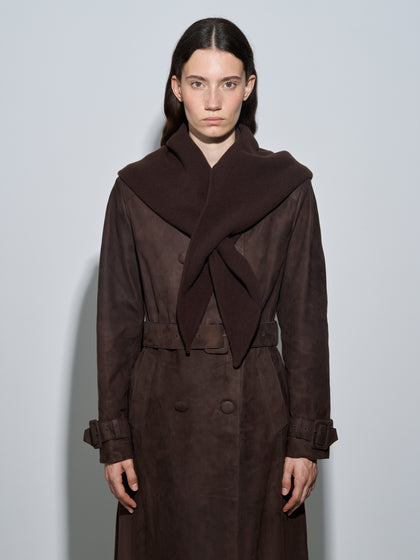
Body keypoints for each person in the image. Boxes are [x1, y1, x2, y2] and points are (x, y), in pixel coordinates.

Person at [83, 17, 338, 560]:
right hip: (160, 416)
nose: (214, 101)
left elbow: (305, 324)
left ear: (249, 87)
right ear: (177, 88)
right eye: (198, 83)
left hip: (258, 416)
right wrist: (116, 439)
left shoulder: (288, 188)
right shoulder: (135, 189)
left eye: (228, 83)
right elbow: (116, 324)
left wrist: (304, 440)